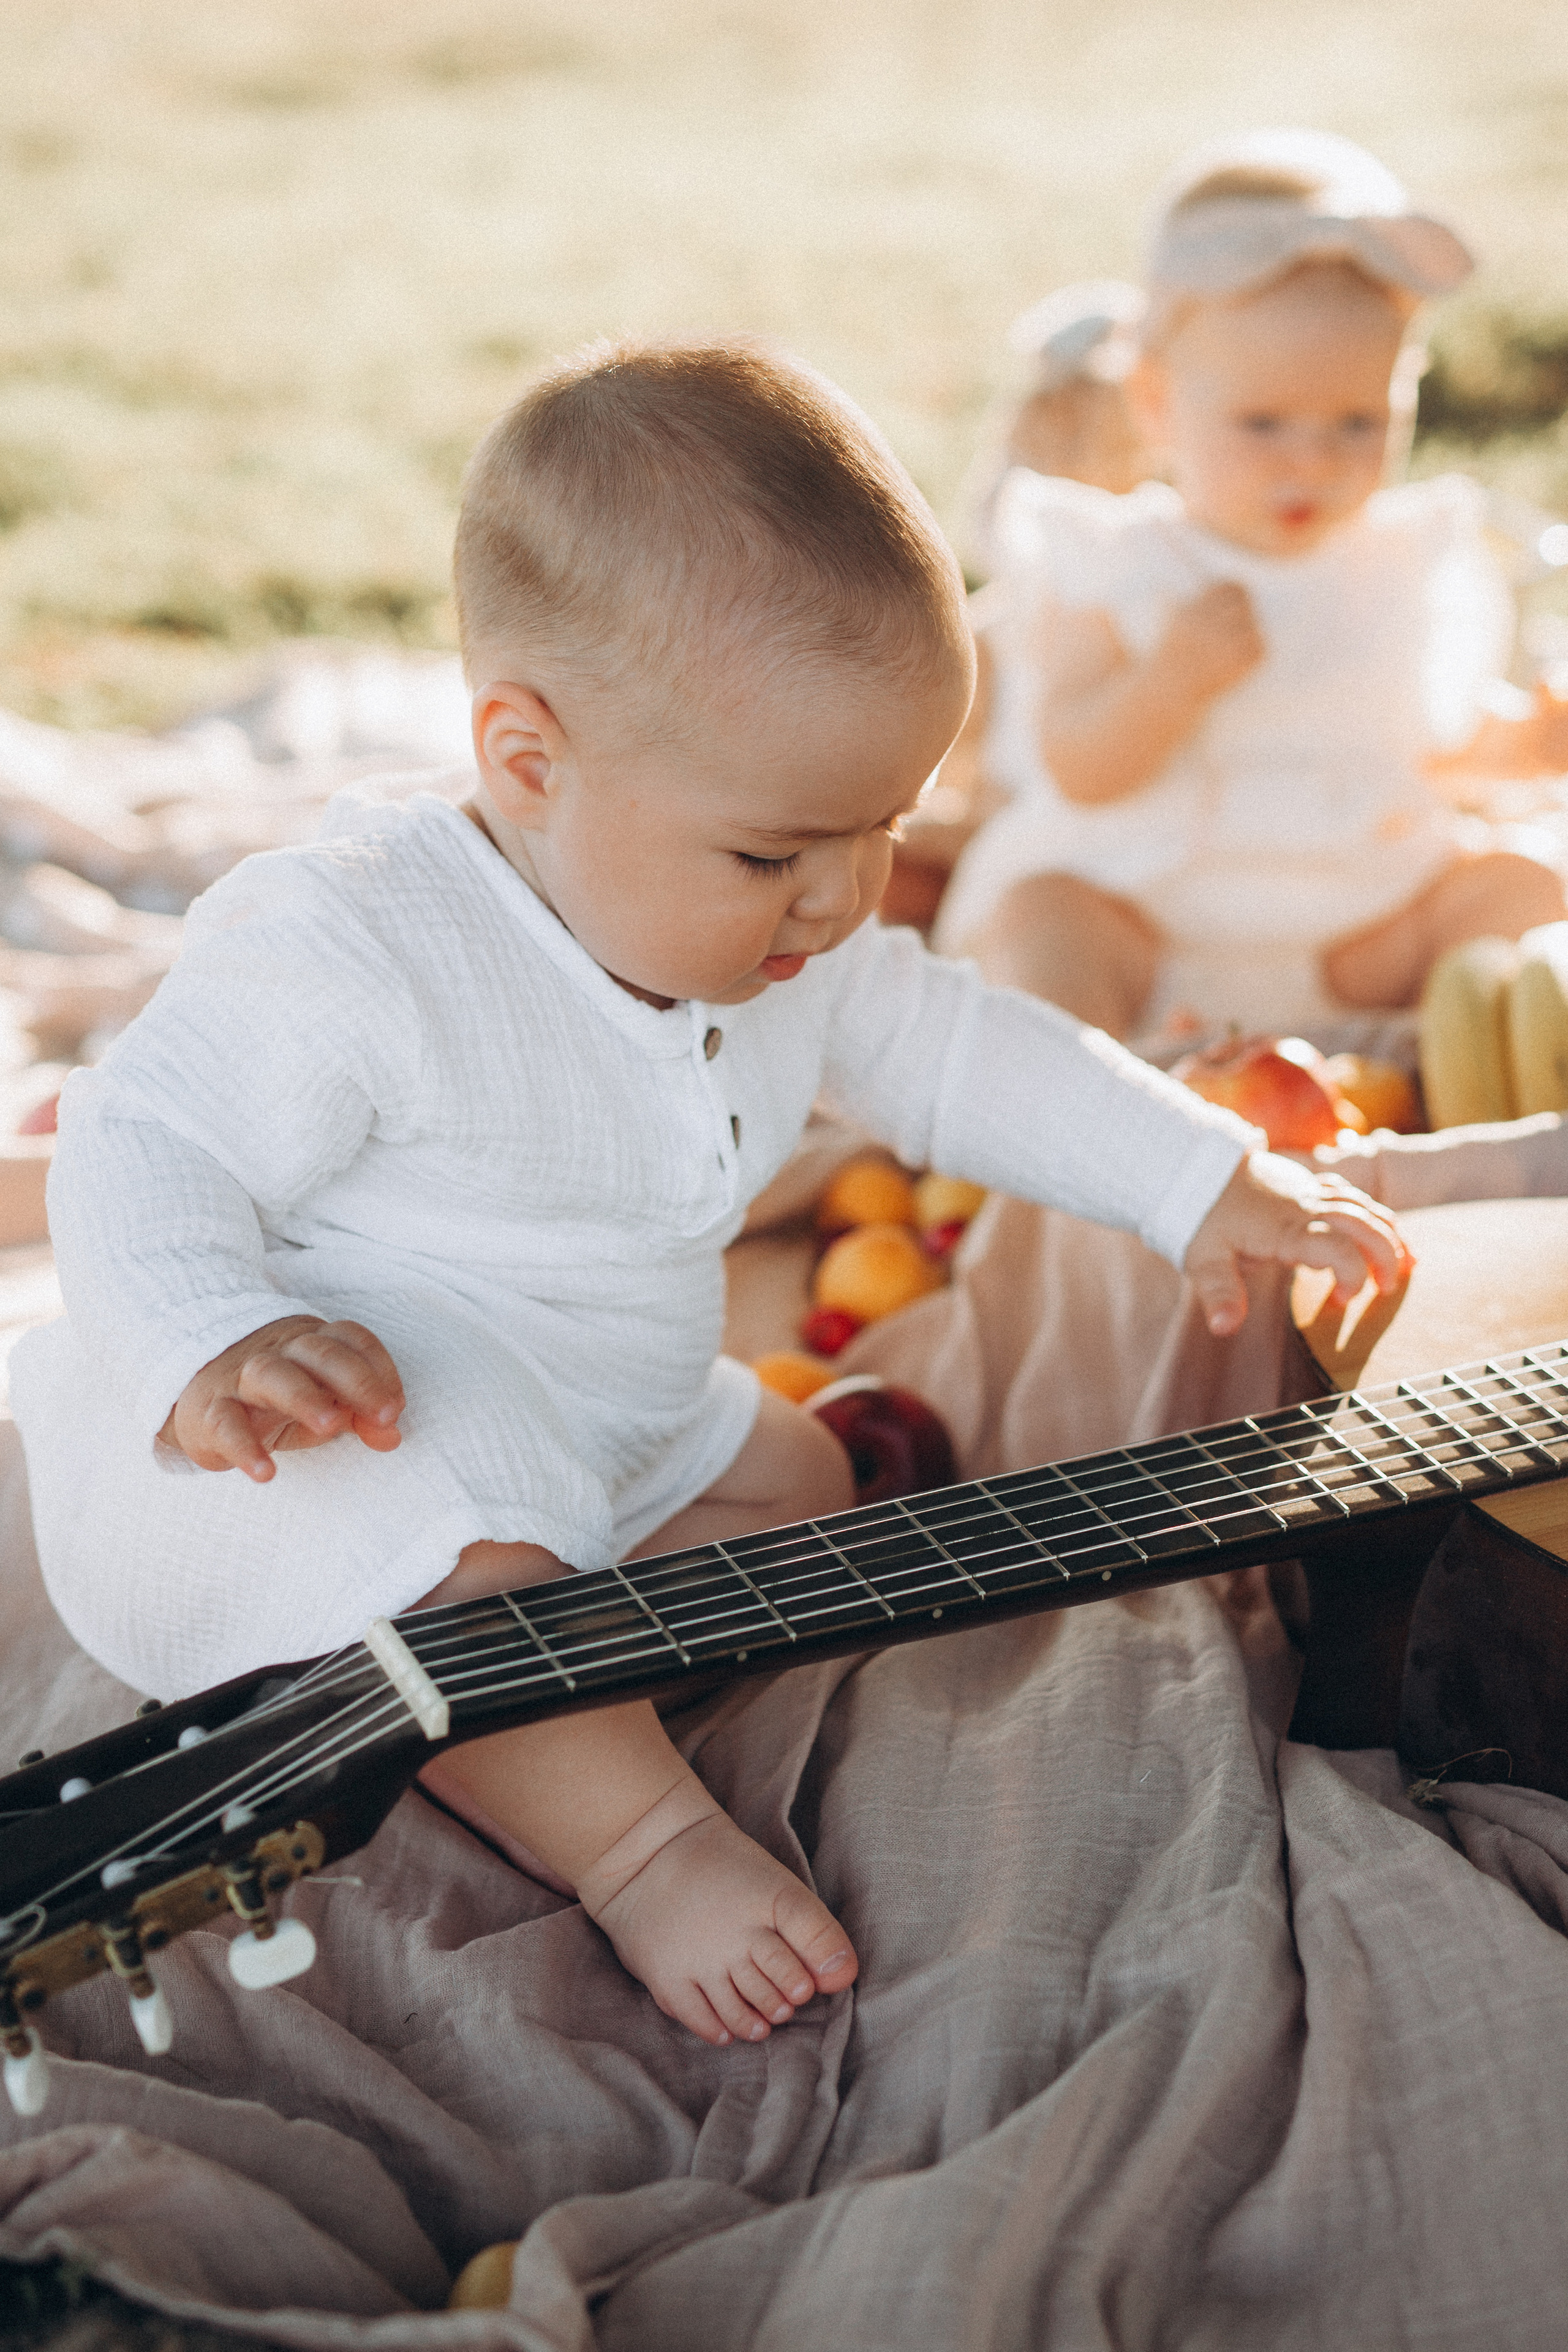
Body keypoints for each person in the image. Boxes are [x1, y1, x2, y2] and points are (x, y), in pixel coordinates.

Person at [11, 341, 1408, 2051]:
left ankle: (524, 1701)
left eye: (882, 828)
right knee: (484, 1569)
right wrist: (218, 1336)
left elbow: (950, 1045)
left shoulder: (784, 930)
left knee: (815, 1477)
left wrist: (1199, 1176)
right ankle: (640, 1840)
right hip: (350, 1439)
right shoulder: (357, 942)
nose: (836, 900)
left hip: (612, 1405)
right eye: (773, 853)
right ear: (528, 763)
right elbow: (143, 1139)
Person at [934, 129, 1568, 1039]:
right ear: (1156, 403)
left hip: (1358, 940)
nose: (1312, 459)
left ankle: (1457, 1062)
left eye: (1359, 421)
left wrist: (1529, 744)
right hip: (1150, 939)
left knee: (1520, 885)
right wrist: (1169, 682)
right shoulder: (1115, 562)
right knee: (1041, 915)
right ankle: (1072, 1105)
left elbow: (1435, 741)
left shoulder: (1405, 559)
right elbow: (1077, 766)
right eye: (1263, 424)